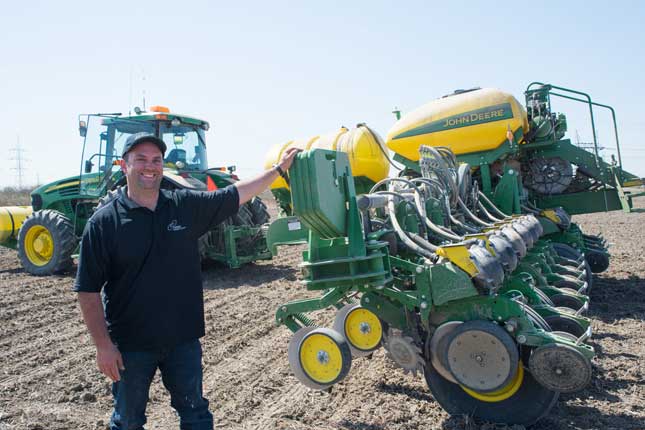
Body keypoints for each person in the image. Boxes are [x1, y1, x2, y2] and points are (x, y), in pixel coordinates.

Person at [74, 132, 299, 430]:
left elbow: (234, 195)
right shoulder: (104, 222)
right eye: (140, 159)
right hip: (130, 346)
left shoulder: (183, 207)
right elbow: (87, 290)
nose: (149, 166)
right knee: (128, 421)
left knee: (196, 415)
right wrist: (103, 346)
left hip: (182, 341)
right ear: (124, 165)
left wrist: (278, 170)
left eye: (156, 160)